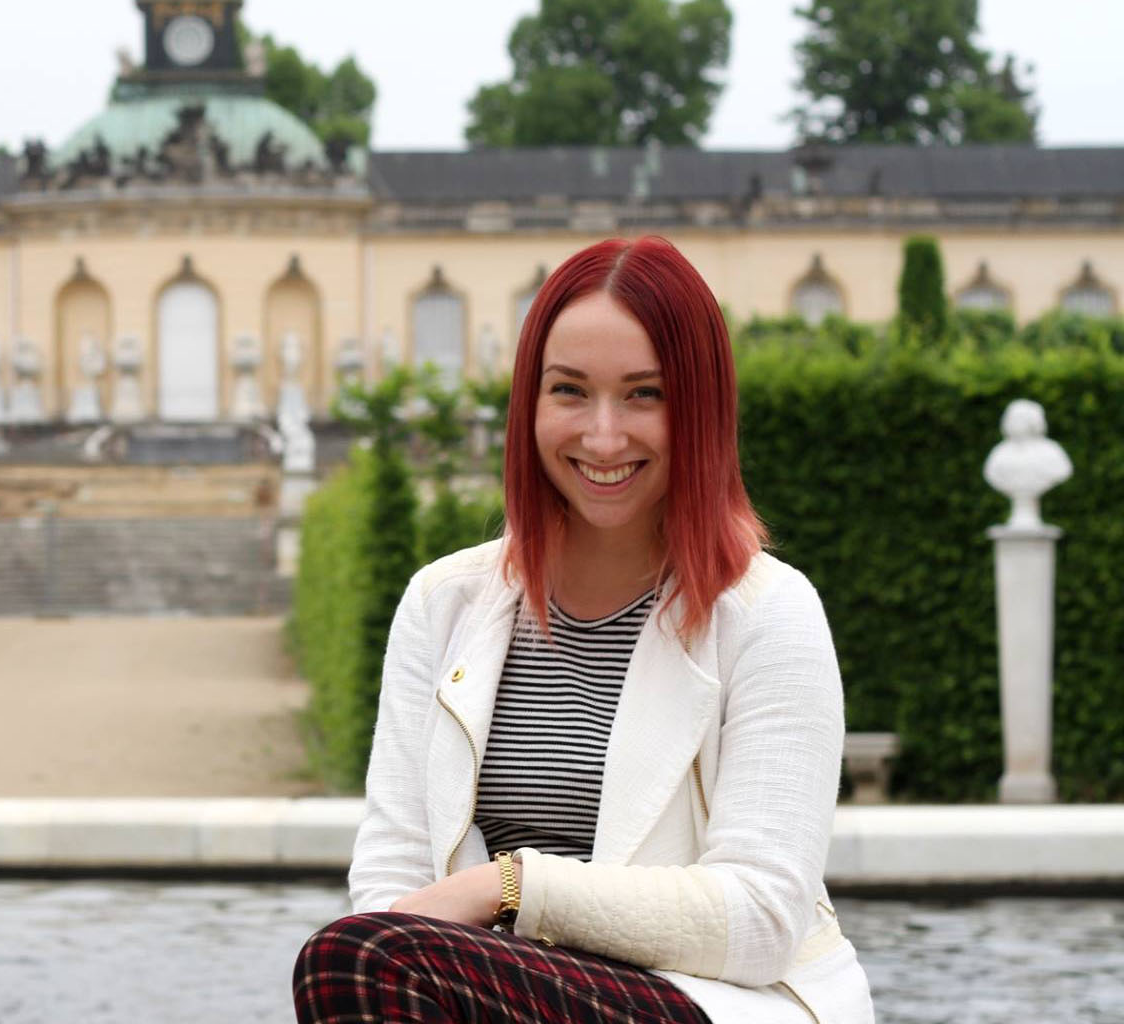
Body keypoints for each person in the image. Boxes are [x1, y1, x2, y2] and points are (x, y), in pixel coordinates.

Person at [292, 236, 876, 1023]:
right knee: (356, 959)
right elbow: (392, 877)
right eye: (570, 391)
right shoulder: (444, 603)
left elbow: (761, 917)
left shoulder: (769, 612)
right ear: (529, 402)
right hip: (506, 995)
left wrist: (512, 887)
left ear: (699, 408)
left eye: (645, 395)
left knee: (355, 957)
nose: (604, 437)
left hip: (713, 1003)